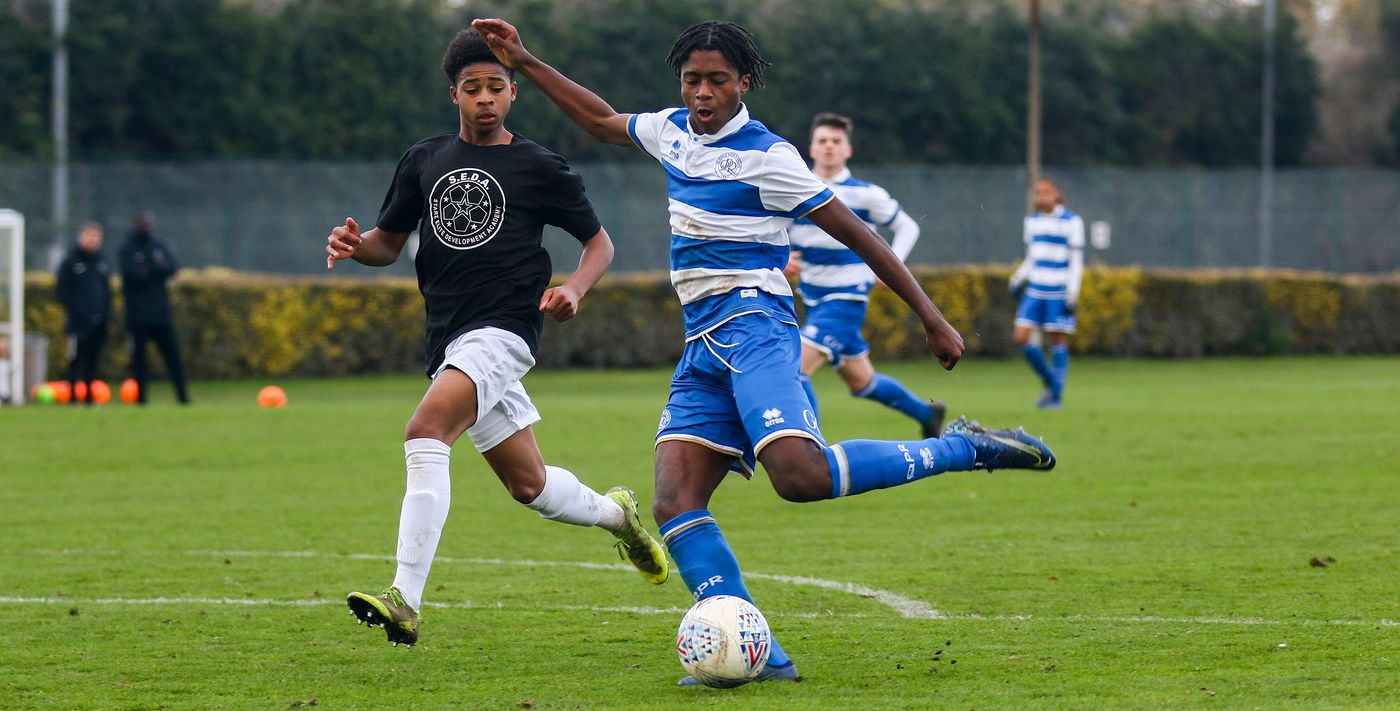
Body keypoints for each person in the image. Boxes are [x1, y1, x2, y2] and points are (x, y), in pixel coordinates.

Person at [472, 17, 1056, 684]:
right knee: (674, 499)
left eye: (716, 80)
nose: (701, 92)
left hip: (758, 327)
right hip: (701, 341)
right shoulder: (669, 132)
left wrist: (931, 316)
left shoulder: (771, 157)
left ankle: (963, 447)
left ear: (743, 82)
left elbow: (860, 234)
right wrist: (526, 60)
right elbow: (601, 119)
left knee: (798, 476)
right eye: (692, 80)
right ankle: (758, 649)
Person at [326, 28, 669, 648]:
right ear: (453, 94)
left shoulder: (537, 165)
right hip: (449, 340)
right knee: (529, 487)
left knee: (425, 433)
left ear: (513, 93)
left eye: (495, 87)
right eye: (471, 88)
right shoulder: (425, 159)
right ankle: (621, 517)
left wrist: (576, 289)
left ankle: (405, 598)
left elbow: (600, 244)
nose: (484, 98)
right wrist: (357, 248)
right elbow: (387, 242)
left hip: (505, 330)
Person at [785, 112, 944, 436]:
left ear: (848, 150)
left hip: (847, 296)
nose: (829, 147)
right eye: (822, 141)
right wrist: (781, 256)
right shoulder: (796, 189)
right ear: (811, 149)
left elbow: (907, 226)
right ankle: (927, 414)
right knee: (862, 381)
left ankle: (812, 450)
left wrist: (891, 266)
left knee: (796, 369)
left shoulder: (865, 193)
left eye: (836, 141)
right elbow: (775, 232)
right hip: (814, 296)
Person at [1009, 178, 1084, 410]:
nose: (1042, 197)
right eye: (1038, 193)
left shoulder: (1072, 221)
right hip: (1035, 288)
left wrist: (1073, 293)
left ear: (1057, 194)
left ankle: (1055, 397)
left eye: (1047, 192)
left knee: (1056, 340)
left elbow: (1076, 261)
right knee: (1021, 337)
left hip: (1058, 289)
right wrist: (1018, 278)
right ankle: (1052, 383)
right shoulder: (1032, 221)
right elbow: (1033, 256)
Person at [119, 211, 190, 404]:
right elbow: (134, 275)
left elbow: (171, 268)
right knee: (139, 361)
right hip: (137, 315)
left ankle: (183, 399)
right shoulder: (128, 248)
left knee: (173, 357)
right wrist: (155, 269)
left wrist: (149, 269)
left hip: (160, 314)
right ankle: (141, 400)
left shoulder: (157, 246)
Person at [56, 222, 112, 406]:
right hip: (78, 321)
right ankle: (71, 395)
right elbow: (63, 291)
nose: (92, 240)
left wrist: (105, 313)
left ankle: (89, 396)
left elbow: (105, 291)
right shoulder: (71, 261)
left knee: (93, 360)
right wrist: (78, 311)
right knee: (76, 358)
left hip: (99, 320)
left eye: (96, 237)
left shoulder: (101, 261)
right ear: (81, 237)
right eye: (89, 236)